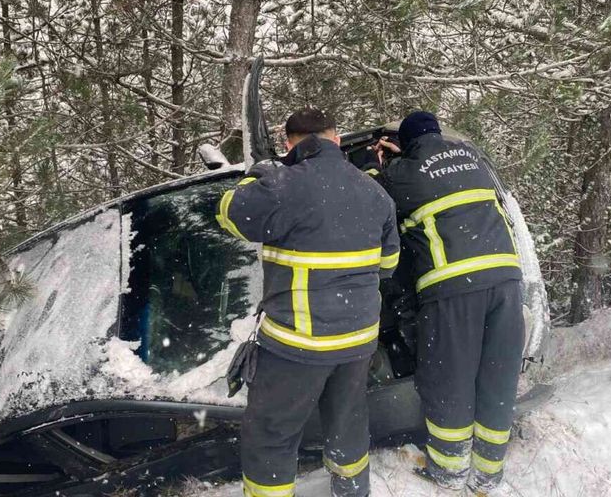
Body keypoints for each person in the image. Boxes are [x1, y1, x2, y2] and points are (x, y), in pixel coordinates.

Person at [216, 108, 400, 497]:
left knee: (271, 435)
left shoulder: (283, 185)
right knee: (348, 422)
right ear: (336, 139)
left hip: (297, 343)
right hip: (357, 341)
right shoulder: (375, 192)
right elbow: (388, 265)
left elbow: (228, 214)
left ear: (289, 144)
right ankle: (352, 490)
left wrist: (258, 173)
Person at [372, 111, 525, 494]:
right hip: (506, 280)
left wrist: (381, 163)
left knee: (449, 379)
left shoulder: (401, 173)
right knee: (497, 376)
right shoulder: (472, 159)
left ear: (403, 144)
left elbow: (372, 195)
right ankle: (489, 471)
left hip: (453, 285)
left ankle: (450, 470)